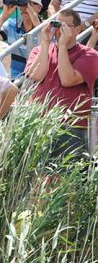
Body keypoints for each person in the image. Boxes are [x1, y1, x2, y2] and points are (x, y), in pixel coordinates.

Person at [25, 10, 98, 158]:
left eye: (64, 26)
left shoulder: (90, 55)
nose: (59, 30)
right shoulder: (39, 50)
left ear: (77, 29)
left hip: (70, 127)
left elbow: (67, 79)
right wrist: (45, 43)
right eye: (57, 25)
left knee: (65, 176)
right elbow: (35, 76)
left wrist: (63, 46)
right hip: (39, 124)